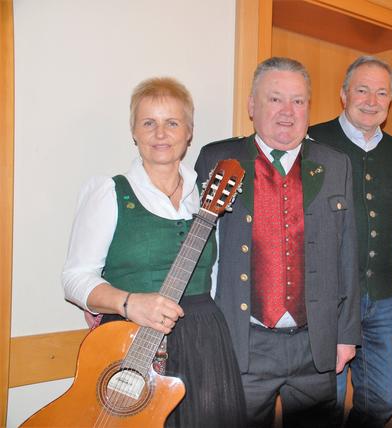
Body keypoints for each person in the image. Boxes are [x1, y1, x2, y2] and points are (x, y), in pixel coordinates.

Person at [62, 77, 247, 427]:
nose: (160, 133)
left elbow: (221, 268)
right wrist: (128, 302)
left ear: (189, 132)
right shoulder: (110, 191)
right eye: (149, 122)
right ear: (134, 131)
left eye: (172, 123)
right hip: (130, 340)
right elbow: (74, 278)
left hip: (204, 340)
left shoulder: (205, 195)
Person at [194, 57, 360, 428]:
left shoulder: (335, 164)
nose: (288, 112)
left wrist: (346, 335)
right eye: (275, 99)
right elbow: (198, 255)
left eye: (298, 101)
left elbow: (347, 254)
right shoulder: (217, 158)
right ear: (252, 106)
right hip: (243, 343)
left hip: (315, 344)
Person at [307, 55, 392, 427]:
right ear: (343, 95)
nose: (372, 100)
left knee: (380, 404)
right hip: (332, 299)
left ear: (390, 102)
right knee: (328, 404)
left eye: (382, 93)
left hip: (384, 301)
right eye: (362, 90)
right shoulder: (313, 140)